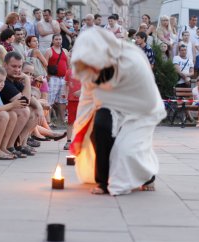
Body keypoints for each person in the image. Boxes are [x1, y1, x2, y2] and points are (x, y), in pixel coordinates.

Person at [70, 27, 166, 196]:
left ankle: (147, 175)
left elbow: (147, 99)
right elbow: (87, 101)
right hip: (107, 104)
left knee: (127, 150)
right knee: (99, 130)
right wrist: (79, 131)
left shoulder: (131, 61)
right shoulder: (88, 70)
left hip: (141, 109)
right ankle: (103, 181)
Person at [0, 52, 43, 157]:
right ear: (5, 65)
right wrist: (27, 80)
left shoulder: (13, 79)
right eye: (14, 66)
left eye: (19, 67)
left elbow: (30, 99)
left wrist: (39, 107)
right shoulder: (3, 80)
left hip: (7, 114)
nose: (17, 70)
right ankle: (11, 146)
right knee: (24, 110)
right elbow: (24, 101)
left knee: (34, 110)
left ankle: (20, 144)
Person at [45, 34, 69, 125]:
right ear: (53, 40)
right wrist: (47, 76)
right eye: (56, 39)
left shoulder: (65, 51)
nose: (58, 41)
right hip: (53, 78)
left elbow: (68, 65)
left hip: (63, 78)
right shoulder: (49, 51)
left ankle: (61, 120)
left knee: (62, 100)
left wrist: (68, 77)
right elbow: (45, 64)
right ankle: (48, 121)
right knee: (50, 99)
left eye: (60, 39)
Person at [63, 50, 80, 150]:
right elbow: (66, 84)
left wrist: (82, 91)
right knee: (70, 121)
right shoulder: (69, 71)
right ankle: (69, 141)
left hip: (83, 100)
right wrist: (65, 94)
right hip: (72, 100)